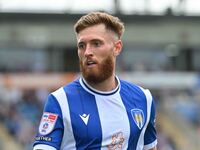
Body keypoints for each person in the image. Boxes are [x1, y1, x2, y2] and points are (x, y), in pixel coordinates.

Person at [33, 12, 157, 150]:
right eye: (82, 46)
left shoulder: (143, 98)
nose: (87, 52)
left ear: (117, 48)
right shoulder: (60, 101)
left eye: (96, 44)